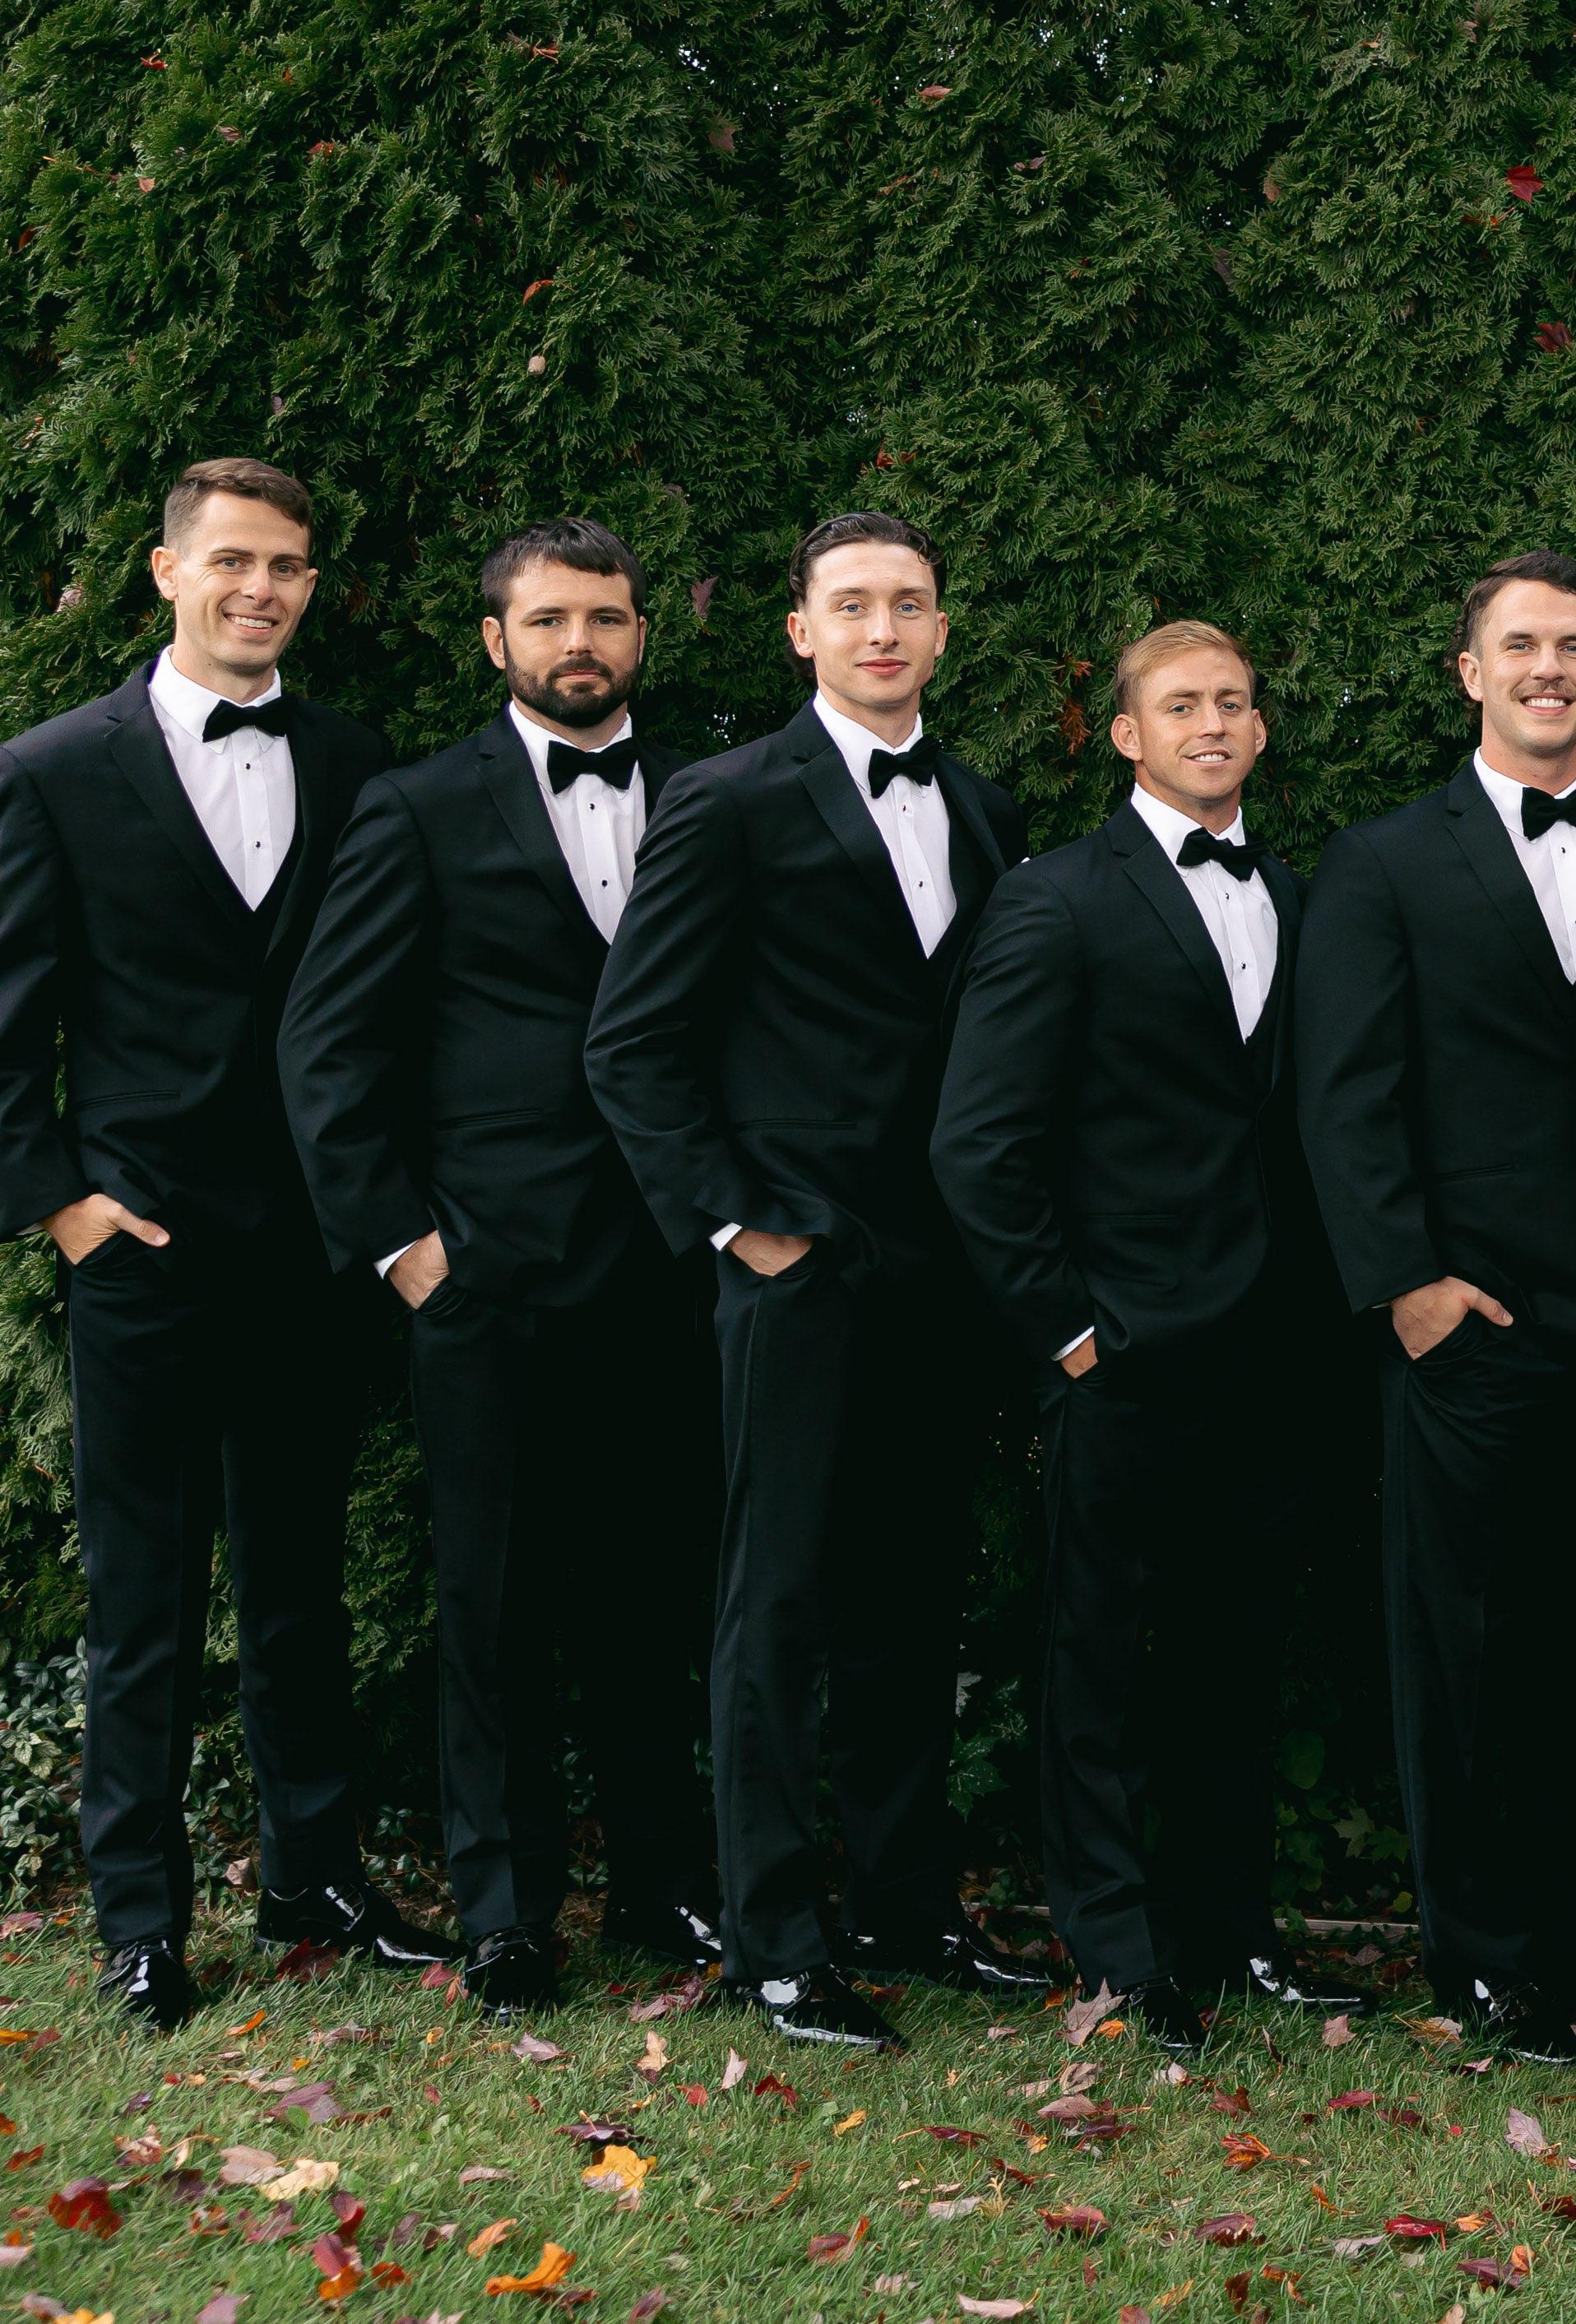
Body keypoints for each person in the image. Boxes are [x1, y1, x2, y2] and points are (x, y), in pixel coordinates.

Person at [0, 457, 448, 2027]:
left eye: (289, 566)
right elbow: (0, 1025)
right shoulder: (53, 768)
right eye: (234, 560)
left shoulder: (359, 762)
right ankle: (139, 1920)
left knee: (302, 1584)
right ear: (169, 572)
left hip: (312, 1250)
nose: (262, 588)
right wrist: (66, 1209)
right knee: (146, 1603)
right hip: (144, 1251)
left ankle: (314, 1878)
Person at [586, 511, 1041, 2052]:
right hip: (795, 1266)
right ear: (801, 631)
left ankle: (906, 1905)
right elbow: (631, 1042)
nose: (882, 630)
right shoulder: (724, 800)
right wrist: (737, 1225)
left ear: (941, 627)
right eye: (851, 606)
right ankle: (774, 1940)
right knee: (771, 1604)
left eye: (908, 603)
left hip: (941, 1270)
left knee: (910, 1598)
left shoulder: (982, 809)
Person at [277, 519, 720, 2015]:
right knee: (495, 1611)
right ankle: (509, 1913)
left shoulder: (711, 798)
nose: (577, 643)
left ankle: (661, 1884)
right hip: (488, 1281)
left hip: (671, 1273)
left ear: (642, 634)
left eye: (605, 616)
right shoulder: (414, 808)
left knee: (656, 1598)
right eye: (547, 620)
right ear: (497, 642)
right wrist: (406, 1251)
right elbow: (327, 1046)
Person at [931, 621, 1360, 2053]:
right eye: (1181, 705)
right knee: (1101, 1657)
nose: (1213, 724)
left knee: (1238, 1653)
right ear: (1128, 735)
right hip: (1119, 1351)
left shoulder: (1298, 895)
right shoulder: (1056, 898)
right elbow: (978, 1144)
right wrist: (1066, 1330)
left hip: (1269, 1351)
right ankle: (1117, 1950)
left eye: (1234, 702)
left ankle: (1230, 1931)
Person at [1297, 555, 1576, 2061]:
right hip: (1470, 1321)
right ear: (1470, 672)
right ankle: (1481, 1960)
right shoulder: (1383, 861)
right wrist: (1408, 1285)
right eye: (1520, 645)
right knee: (1460, 1648)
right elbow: (1345, 1093)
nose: (1548, 668)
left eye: (1574, 645)